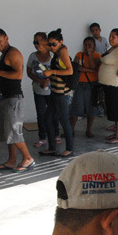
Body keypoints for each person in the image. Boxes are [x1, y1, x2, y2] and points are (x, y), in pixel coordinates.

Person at [0, 29, 35, 172]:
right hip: (6, 97)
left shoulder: (13, 53)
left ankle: (28, 158)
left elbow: (18, 75)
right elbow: (6, 76)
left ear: (7, 38)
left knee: (14, 131)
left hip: (14, 98)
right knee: (8, 132)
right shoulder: (4, 55)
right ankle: (11, 161)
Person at [39, 29, 75, 159]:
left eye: (54, 44)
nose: (52, 47)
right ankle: (52, 148)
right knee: (48, 119)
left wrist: (52, 72)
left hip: (61, 93)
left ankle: (69, 149)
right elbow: (43, 44)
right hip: (55, 92)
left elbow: (70, 71)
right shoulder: (57, 50)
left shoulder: (63, 52)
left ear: (61, 42)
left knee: (64, 121)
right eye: (50, 44)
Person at [26, 32, 60, 149]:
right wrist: (40, 81)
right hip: (38, 90)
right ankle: (42, 137)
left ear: (45, 41)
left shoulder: (53, 55)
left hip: (52, 90)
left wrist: (48, 81)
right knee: (41, 114)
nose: (36, 45)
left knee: (54, 113)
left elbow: (59, 70)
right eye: (34, 42)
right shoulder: (33, 56)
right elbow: (29, 72)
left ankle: (56, 135)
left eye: (38, 42)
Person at [70, 36, 101, 138]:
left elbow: (94, 66)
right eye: (86, 45)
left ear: (94, 46)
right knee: (76, 107)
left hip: (92, 85)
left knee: (91, 108)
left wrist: (90, 54)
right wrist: (90, 70)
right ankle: (71, 130)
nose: (87, 47)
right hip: (80, 84)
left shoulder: (97, 56)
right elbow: (76, 67)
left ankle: (88, 130)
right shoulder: (79, 54)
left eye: (90, 45)